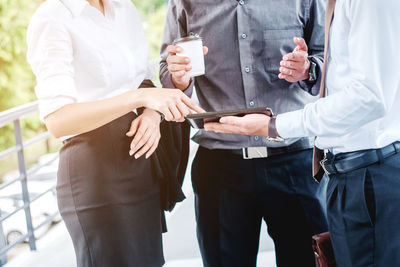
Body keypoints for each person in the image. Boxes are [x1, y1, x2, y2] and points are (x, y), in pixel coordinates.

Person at [205, 0, 400, 266]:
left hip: (368, 174)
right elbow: (343, 74)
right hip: (345, 172)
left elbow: (370, 96)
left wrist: (275, 126)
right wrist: (309, 69)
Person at [26, 0, 203, 266]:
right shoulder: (53, 17)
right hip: (98, 178)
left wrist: (152, 115)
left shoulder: (124, 8)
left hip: (141, 166)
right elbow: (58, 120)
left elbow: (143, 81)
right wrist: (139, 97)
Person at [160, 1, 327, 266]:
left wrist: (308, 69)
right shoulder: (184, 3)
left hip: (295, 162)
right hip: (220, 167)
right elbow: (167, 72)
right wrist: (179, 78)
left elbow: (328, 61)